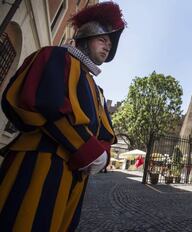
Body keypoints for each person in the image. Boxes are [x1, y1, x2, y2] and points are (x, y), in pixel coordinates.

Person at [0, 2, 125, 231]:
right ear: (85, 36)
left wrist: (103, 155)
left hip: (75, 178)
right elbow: (46, 104)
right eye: (103, 39)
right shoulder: (55, 56)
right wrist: (89, 150)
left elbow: (106, 133)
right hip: (38, 162)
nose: (108, 46)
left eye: (111, 43)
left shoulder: (97, 89)